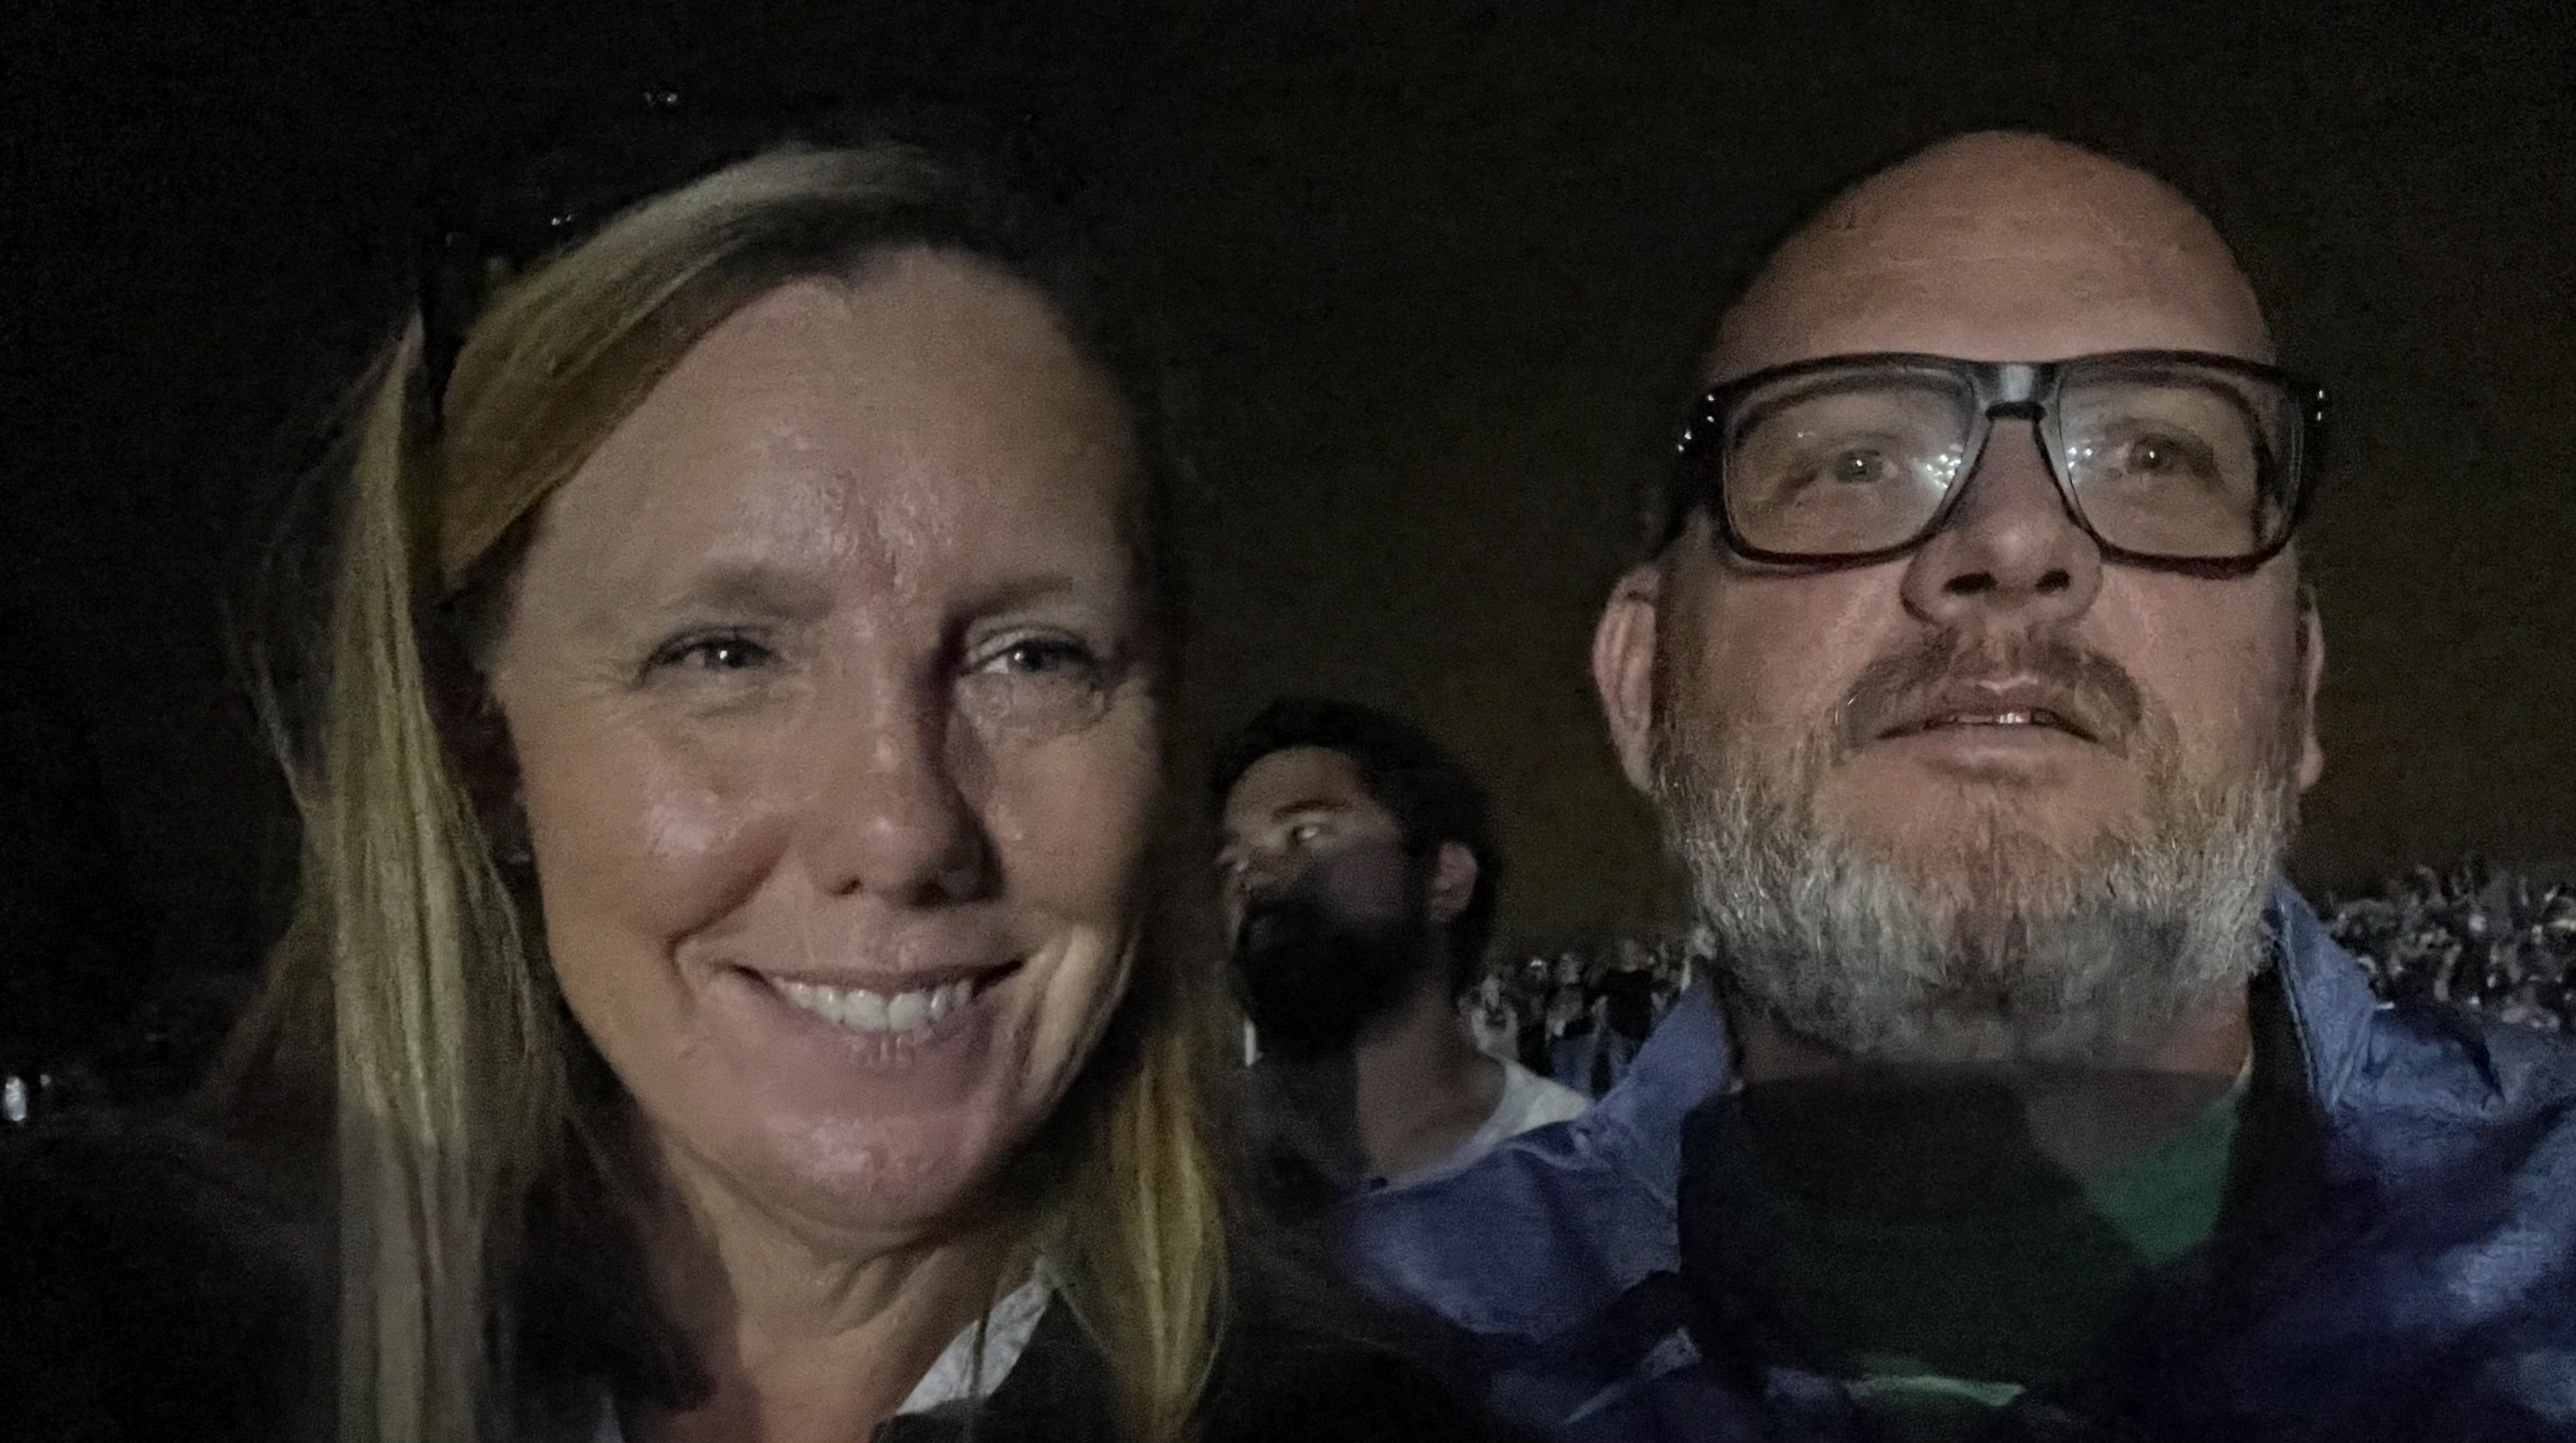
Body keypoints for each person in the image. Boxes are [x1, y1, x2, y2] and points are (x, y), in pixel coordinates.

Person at [8, 116, 1506, 1443]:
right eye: (723, 654)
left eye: (1034, 657)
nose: (901, 828)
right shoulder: (127, 1347)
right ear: (483, 749)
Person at [1346, 131, 2576, 1442]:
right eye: (1853, 461)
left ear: (2298, 686)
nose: (2014, 538)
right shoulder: (1337, 1364)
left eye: (2154, 456)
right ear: (1645, 684)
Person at [1212, 698, 1588, 1202]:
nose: (1253, 878)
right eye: (1232, 862)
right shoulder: (1176, 1166)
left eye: (1306, 832)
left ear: (1444, 878)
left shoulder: (1574, 1175)